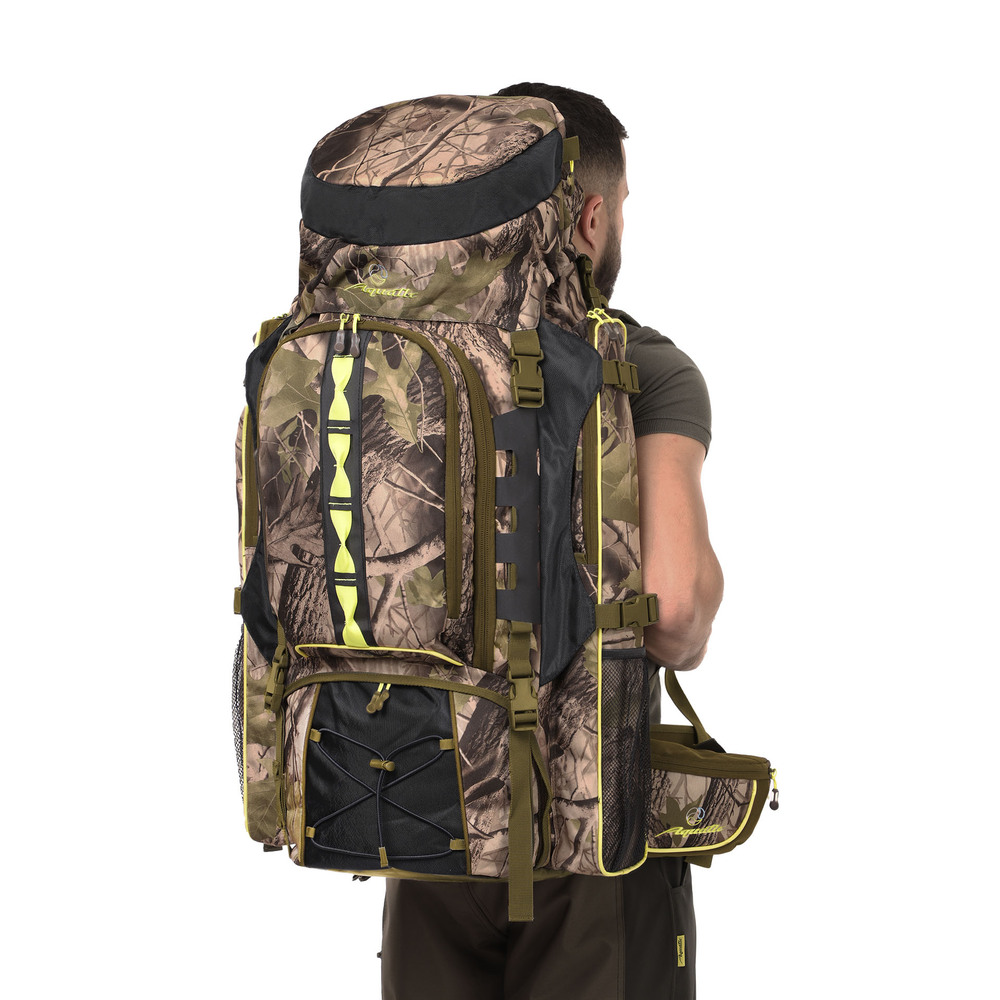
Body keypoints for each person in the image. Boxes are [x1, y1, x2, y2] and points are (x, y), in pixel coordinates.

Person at [380, 84, 724, 1000]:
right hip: (588, 832)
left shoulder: (395, 363)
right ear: (591, 218)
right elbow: (675, 613)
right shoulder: (642, 366)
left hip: (422, 812)